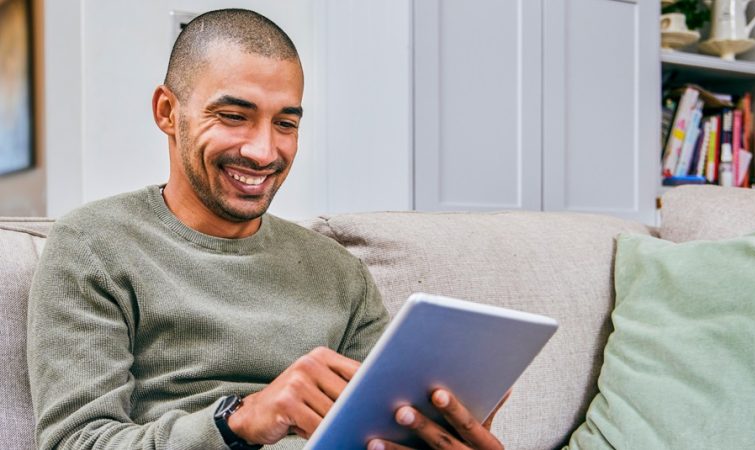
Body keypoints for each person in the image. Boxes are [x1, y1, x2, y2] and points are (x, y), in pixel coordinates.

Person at [27, 9, 506, 450]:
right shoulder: (94, 246)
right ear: (168, 112)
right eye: (234, 117)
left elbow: (378, 428)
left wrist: (438, 436)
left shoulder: (339, 273)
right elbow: (78, 441)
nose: (263, 151)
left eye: (285, 123)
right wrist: (238, 420)